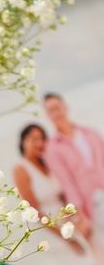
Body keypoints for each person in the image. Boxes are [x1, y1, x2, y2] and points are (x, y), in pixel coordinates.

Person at [14, 123, 104, 265]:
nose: (39, 143)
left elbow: (66, 195)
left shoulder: (49, 165)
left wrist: (79, 220)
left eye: (42, 138)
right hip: (49, 228)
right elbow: (33, 209)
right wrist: (64, 236)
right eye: (33, 139)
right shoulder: (22, 168)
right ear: (23, 142)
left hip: (68, 221)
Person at [44, 93, 104, 222]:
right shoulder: (52, 149)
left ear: (65, 107)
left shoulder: (91, 133)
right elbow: (67, 184)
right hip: (94, 204)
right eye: (51, 110)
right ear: (48, 116)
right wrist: (81, 215)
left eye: (57, 107)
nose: (56, 113)